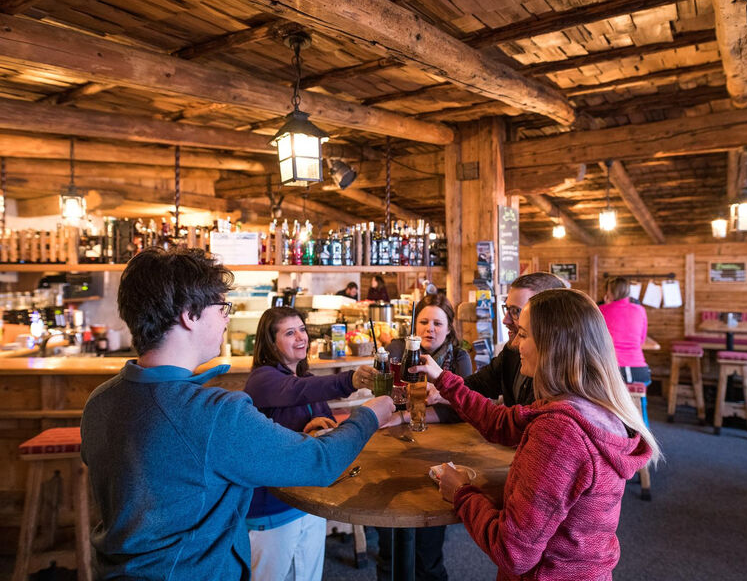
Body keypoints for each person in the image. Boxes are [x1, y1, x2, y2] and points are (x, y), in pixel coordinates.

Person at [80, 248, 394, 579]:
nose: (227, 318)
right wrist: (370, 413)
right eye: (222, 308)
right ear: (190, 314)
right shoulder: (214, 414)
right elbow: (322, 462)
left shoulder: (99, 401)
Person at [412, 289, 659, 580]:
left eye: (523, 335)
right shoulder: (590, 408)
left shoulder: (560, 434)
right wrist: (443, 380)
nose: (514, 344)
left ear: (553, 345)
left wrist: (461, 493)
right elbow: (499, 421)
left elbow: (511, 552)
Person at [243, 306, 378, 581]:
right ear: (271, 342)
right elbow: (296, 393)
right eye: (290, 333)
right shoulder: (262, 380)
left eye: (302, 329)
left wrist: (314, 428)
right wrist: (351, 379)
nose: (300, 338)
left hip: (309, 500)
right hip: (272, 506)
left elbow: (323, 420)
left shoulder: (304, 378)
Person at [377, 294, 473, 581]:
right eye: (424, 322)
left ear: (449, 328)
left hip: (440, 453)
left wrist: (406, 415)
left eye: (437, 323)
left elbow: (461, 411)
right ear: (414, 325)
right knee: (390, 547)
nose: (430, 328)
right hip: (394, 450)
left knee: (428, 549)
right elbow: (386, 398)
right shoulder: (397, 351)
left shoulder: (459, 357)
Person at [464, 272, 565, 406]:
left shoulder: (561, 370)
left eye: (516, 311)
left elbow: (519, 420)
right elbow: (480, 383)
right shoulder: (512, 350)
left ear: (547, 316)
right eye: (507, 309)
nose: (505, 320)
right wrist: (440, 386)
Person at [598, 277, 651, 424]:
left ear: (609, 292)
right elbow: (641, 340)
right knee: (640, 406)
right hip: (639, 371)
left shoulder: (601, 310)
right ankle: (642, 432)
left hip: (611, 370)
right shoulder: (640, 310)